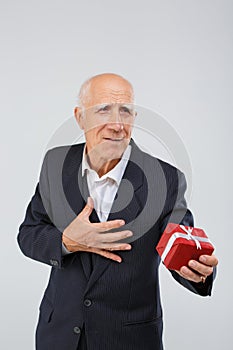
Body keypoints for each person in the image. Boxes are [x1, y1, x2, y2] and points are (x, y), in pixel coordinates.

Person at [17, 73, 218, 350]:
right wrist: (66, 242)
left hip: (129, 340)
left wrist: (195, 270)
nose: (117, 124)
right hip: (59, 334)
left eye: (125, 111)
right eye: (103, 110)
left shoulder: (165, 179)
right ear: (80, 117)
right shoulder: (56, 163)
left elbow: (178, 244)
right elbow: (29, 234)